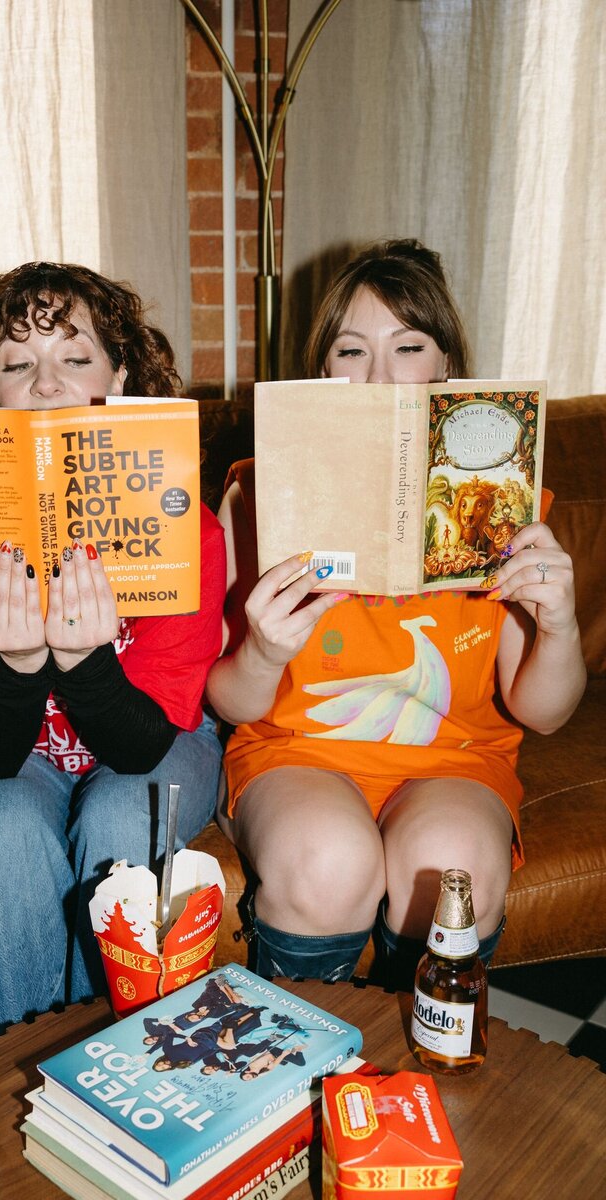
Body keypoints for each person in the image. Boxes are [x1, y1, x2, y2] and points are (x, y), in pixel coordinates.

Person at [205, 239, 586, 989]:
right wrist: (264, 651)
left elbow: (541, 713)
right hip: (294, 752)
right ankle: (294, 1068)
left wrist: (561, 625)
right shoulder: (255, 492)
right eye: (352, 350)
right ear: (322, 371)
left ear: (446, 367)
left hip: (456, 761)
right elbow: (226, 696)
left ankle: (419, 1075)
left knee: (455, 870)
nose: (378, 375)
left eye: (407, 346)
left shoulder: (508, 504)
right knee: (325, 859)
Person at [0, 262, 226, 1030]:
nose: (46, 385)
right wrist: (17, 666)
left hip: (148, 742)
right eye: (17, 364)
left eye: (75, 358)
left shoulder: (186, 527)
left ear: (120, 374)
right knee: (2, 828)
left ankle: (128, 1068)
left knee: (118, 822)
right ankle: (10, 1083)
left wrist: (84, 662)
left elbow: (141, 749)